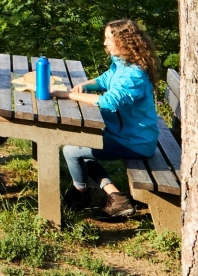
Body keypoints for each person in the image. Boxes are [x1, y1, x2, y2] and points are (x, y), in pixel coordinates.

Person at [52, 19, 164, 218]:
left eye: (109, 38)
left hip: (135, 142)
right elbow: (106, 79)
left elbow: (109, 102)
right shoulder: (122, 64)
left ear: (124, 41)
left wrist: (68, 95)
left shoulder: (133, 75)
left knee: (71, 150)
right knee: (78, 148)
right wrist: (86, 85)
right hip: (124, 134)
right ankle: (114, 195)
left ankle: (81, 193)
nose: (105, 43)